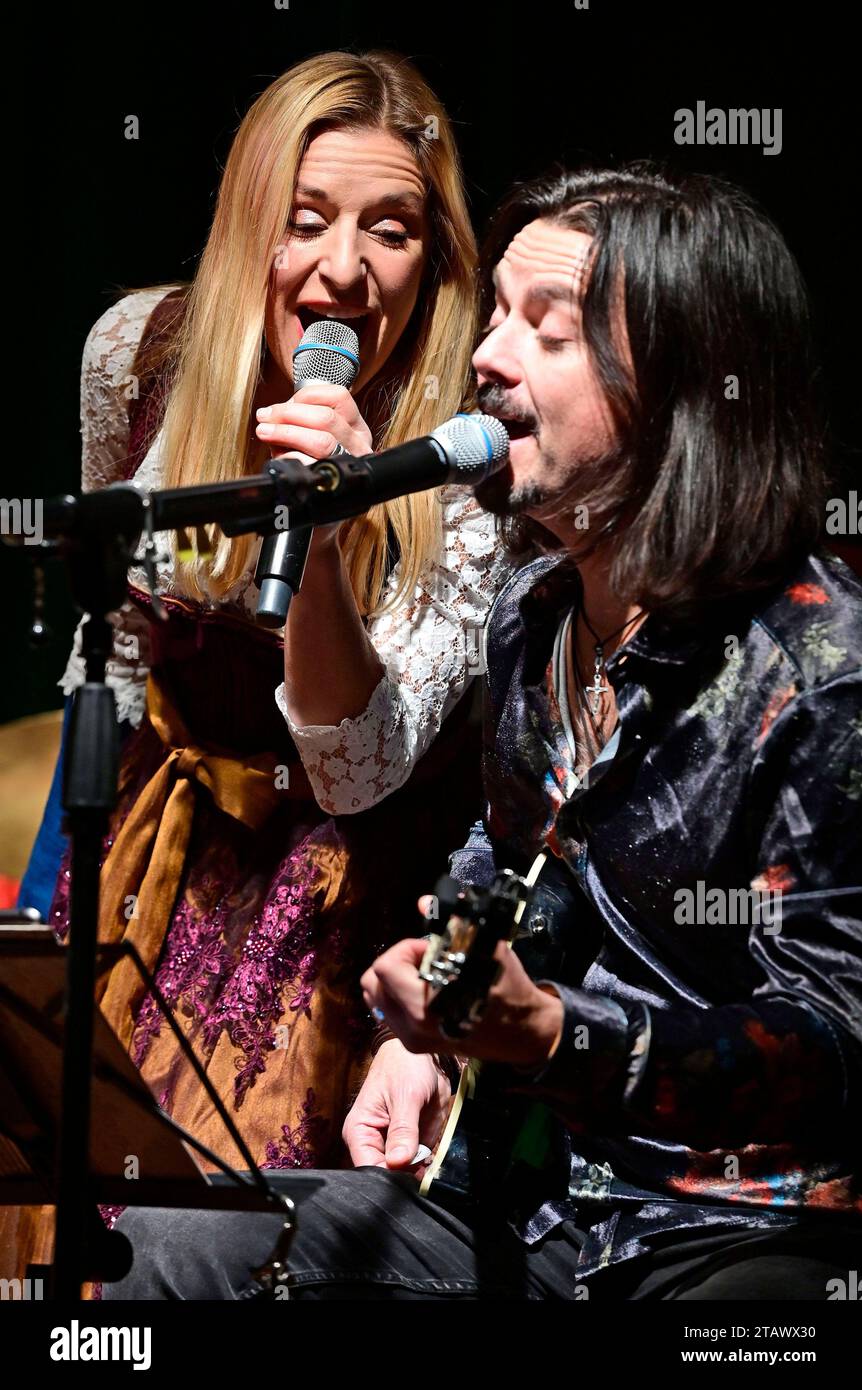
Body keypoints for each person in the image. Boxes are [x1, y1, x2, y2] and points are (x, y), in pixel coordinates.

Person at [105, 163, 862, 1300]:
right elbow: (512, 858)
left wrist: (560, 1034)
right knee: (176, 1245)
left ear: (685, 391)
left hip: (748, 1236)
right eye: (497, 314)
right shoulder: (537, 608)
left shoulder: (822, 671)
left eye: (545, 332)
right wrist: (425, 1028)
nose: (487, 357)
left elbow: (837, 1046)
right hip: (542, 1203)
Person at [9, 47, 519, 1276]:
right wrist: (41, 898)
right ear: (251, 228)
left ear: (432, 257)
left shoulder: (464, 446)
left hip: (342, 901)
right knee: (55, 1211)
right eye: (306, 221)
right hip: (154, 847)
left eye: (390, 231)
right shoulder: (137, 352)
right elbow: (120, 661)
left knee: (214, 1245)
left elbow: (356, 772)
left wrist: (333, 531)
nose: (343, 268)